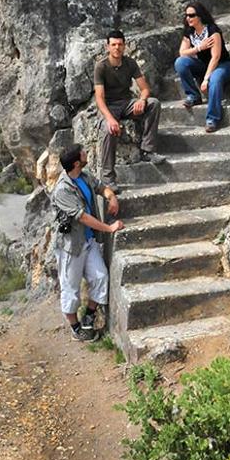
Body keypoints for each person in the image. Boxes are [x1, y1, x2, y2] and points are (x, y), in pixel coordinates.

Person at [51, 143, 122, 342]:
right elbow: (82, 217)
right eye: (83, 153)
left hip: (88, 240)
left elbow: (101, 188)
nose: (86, 154)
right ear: (76, 162)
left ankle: (88, 315)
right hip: (71, 247)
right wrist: (109, 229)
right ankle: (75, 328)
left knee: (100, 277)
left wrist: (112, 198)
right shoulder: (62, 190)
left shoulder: (84, 175)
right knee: (70, 288)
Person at [93, 29, 163, 190]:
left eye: (120, 44)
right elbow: (99, 98)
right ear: (107, 47)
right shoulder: (101, 67)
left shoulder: (130, 63)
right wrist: (110, 119)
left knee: (153, 103)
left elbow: (145, 89)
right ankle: (108, 178)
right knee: (108, 129)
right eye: (113, 45)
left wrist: (142, 100)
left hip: (126, 102)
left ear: (124, 46)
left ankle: (148, 150)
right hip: (109, 106)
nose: (117, 48)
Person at [175, 1, 230, 133]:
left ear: (200, 16)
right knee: (180, 62)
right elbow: (182, 52)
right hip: (203, 65)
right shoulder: (189, 32)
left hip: (222, 65)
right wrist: (199, 48)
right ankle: (193, 95)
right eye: (187, 16)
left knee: (215, 79)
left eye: (192, 15)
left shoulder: (212, 31)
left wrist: (206, 79)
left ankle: (212, 118)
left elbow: (216, 57)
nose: (188, 18)